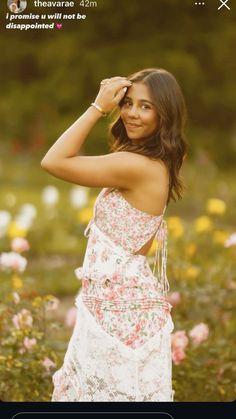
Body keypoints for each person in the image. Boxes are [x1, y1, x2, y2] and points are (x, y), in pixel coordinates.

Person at [41, 68, 188, 401]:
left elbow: (53, 160)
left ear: (164, 114)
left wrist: (97, 107)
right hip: (114, 311)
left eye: (146, 106)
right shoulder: (150, 162)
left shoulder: (136, 167)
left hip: (120, 319)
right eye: (128, 103)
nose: (133, 113)